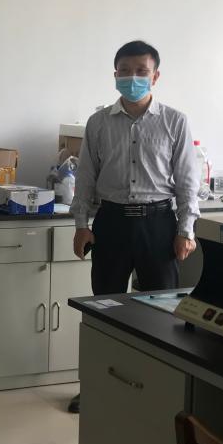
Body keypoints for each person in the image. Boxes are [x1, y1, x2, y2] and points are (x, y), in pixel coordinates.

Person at [68, 40, 199, 413]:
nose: (133, 78)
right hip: (111, 222)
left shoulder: (175, 121)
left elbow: (187, 181)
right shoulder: (98, 123)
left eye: (141, 71)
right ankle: (95, 387)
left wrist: (185, 230)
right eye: (125, 71)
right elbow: (86, 177)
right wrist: (82, 224)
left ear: (155, 76)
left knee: (164, 310)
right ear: (115, 75)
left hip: (159, 223)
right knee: (104, 308)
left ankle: (161, 390)